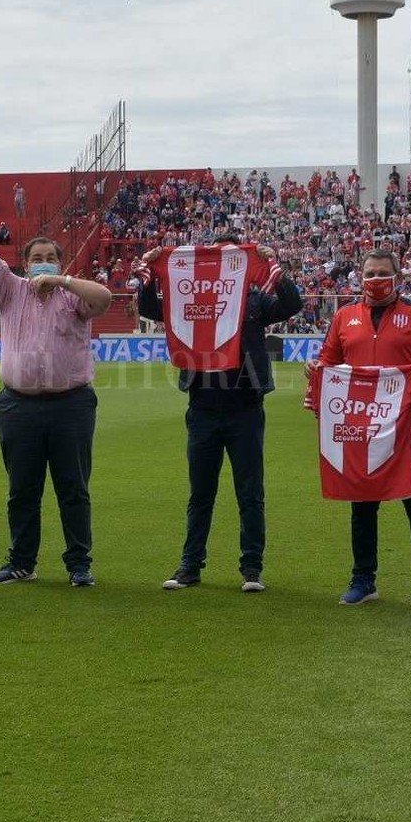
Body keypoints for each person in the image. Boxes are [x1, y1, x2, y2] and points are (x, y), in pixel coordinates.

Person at [0, 158, 111, 587]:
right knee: (23, 490)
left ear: (60, 262)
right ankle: (22, 562)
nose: (43, 263)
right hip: (18, 405)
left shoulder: (74, 296)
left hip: (71, 404)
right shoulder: (9, 289)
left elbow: (105, 297)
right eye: (37, 258)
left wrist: (64, 282)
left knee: (73, 489)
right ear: (24, 262)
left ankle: (79, 565)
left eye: (50, 258)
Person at [137, 237, 301, 592]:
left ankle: (252, 569)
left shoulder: (254, 298)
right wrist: (148, 274)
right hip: (203, 409)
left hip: (245, 408)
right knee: (201, 493)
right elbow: (152, 310)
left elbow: (292, 303)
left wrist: (273, 265)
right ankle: (190, 566)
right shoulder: (191, 298)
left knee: (250, 492)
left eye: (232, 258)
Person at [316, 250, 411, 607]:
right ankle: (363, 579)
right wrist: (316, 372)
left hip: (410, 429)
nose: (376, 279)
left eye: (383, 273)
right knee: (362, 506)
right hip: (364, 432)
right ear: (360, 276)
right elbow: (329, 362)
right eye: (370, 273)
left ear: (397, 277)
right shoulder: (345, 316)